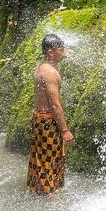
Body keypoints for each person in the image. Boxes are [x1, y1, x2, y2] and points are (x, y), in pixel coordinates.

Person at [27, 33, 74, 196]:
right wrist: (65, 131)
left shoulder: (42, 68)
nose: (64, 51)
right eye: (60, 49)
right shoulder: (51, 73)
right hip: (48, 122)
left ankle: (38, 189)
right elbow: (55, 105)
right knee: (50, 158)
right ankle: (49, 194)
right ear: (50, 52)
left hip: (39, 119)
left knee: (40, 157)